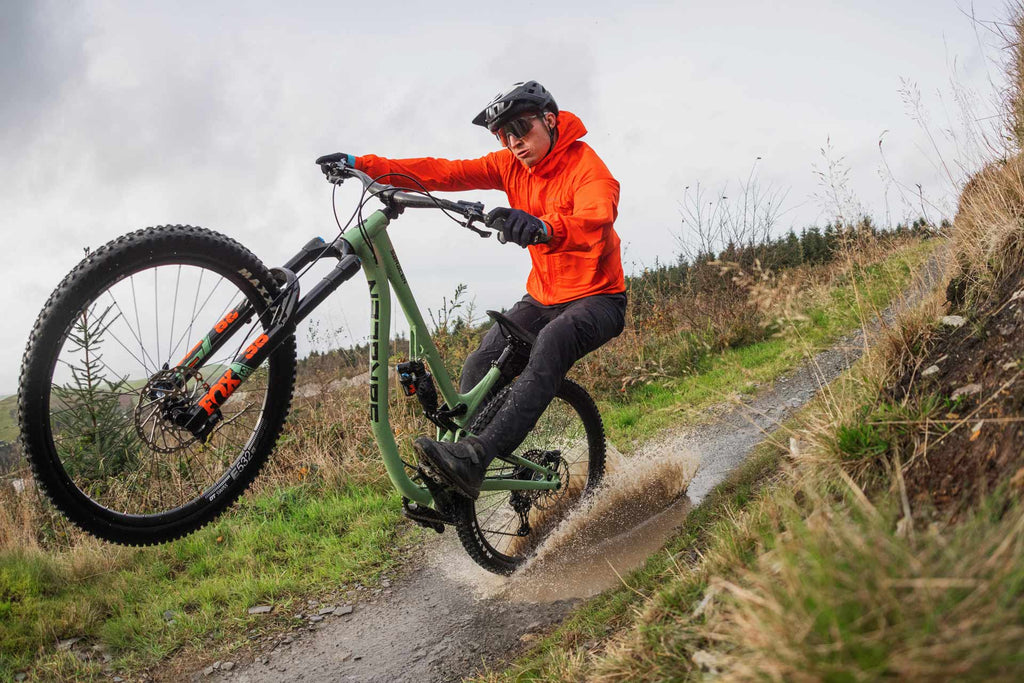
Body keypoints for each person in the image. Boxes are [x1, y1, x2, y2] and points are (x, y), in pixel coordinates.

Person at [348, 80, 626, 500]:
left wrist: (546, 227)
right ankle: (459, 472)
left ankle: (475, 458)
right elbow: (445, 172)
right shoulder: (509, 165)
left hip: (598, 298)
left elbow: (596, 219)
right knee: (481, 363)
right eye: (504, 134)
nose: (514, 141)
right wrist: (362, 164)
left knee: (551, 343)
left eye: (521, 128)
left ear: (550, 120)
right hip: (542, 297)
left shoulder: (588, 168)